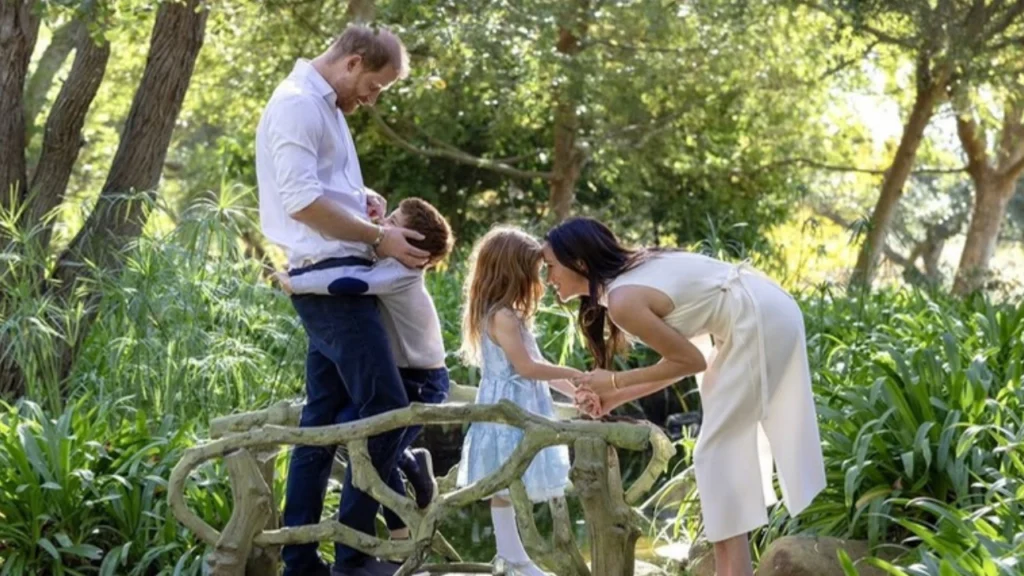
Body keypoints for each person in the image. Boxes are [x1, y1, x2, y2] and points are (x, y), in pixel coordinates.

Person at [542, 217, 826, 576]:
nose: (548, 278)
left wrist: (612, 381)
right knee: (721, 457)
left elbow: (690, 361)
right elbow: (678, 363)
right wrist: (614, 396)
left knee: (716, 455)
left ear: (579, 263)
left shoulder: (622, 299)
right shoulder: (631, 278)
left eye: (550, 266)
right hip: (762, 311)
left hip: (759, 319)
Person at [255, 22, 429, 576]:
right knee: (386, 411)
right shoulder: (299, 105)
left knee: (322, 421)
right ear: (353, 62)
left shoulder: (324, 107)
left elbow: (319, 189)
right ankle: (355, 555)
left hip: (335, 276)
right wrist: (380, 237)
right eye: (375, 87)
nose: (372, 99)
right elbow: (302, 203)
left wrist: (362, 200)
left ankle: (301, 559)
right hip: (331, 283)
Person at [275, 196, 454, 536]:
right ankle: (404, 511)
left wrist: (296, 283)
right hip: (406, 373)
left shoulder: (400, 272)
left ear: (413, 247)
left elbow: (350, 281)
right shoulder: (389, 262)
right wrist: (375, 214)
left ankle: (403, 490)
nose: (383, 228)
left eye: (393, 223)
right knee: (366, 439)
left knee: (367, 438)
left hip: (423, 381)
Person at [454, 226, 581, 576]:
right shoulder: (502, 317)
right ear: (515, 272)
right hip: (509, 410)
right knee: (508, 481)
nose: (540, 279)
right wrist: (577, 374)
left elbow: (536, 365)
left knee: (512, 482)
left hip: (518, 403)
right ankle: (513, 558)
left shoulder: (507, 314)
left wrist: (577, 392)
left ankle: (513, 557)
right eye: (536, 272)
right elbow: (527, 367)